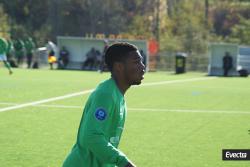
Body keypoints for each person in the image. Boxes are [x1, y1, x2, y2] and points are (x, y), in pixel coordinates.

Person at [62, 42, 145, 167]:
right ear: (119, 67)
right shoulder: (106, 94)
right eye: (136, 62)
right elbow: (91, 136)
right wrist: (123, 162)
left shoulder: (118, 95)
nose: (142, 67)